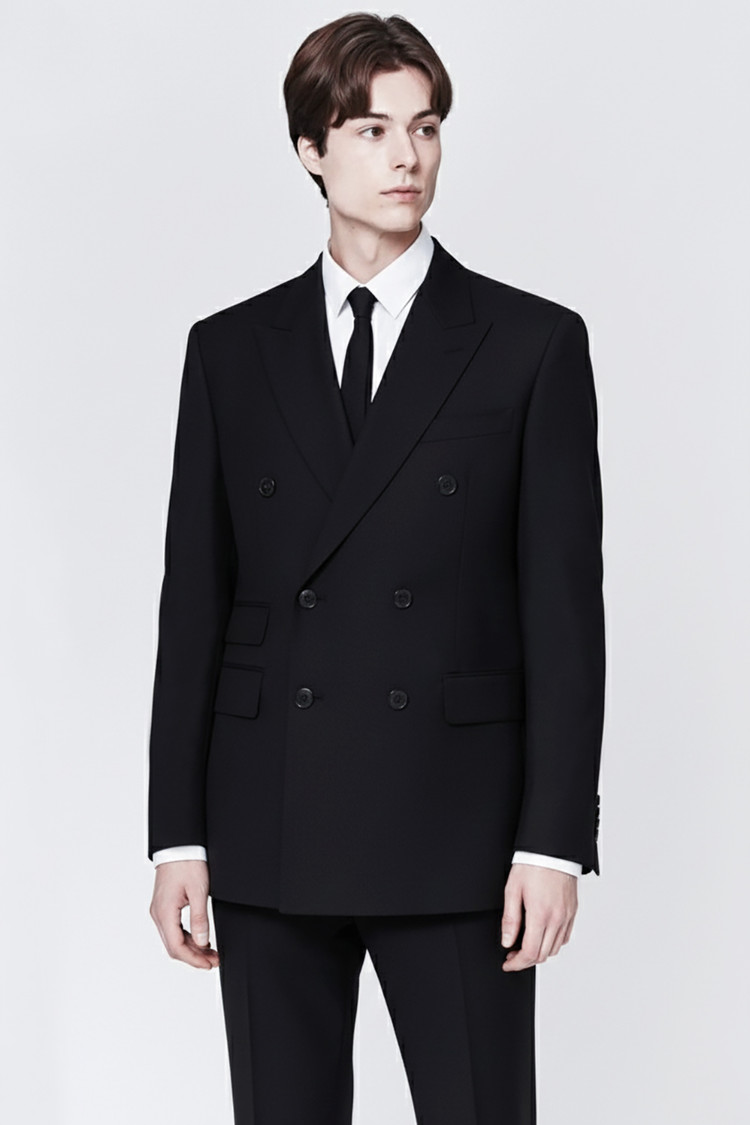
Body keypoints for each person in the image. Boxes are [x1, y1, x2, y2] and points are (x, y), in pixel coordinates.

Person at [147, 12, 605, 1124]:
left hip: (458, 829)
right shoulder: (229, 350)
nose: (408, 157)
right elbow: (195, 603)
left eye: (426, 127)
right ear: (312, 149)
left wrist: (552, 842)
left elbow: (563, 612)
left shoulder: (530, 343)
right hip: (270, 819)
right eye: (372, 129)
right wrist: (178, 835)